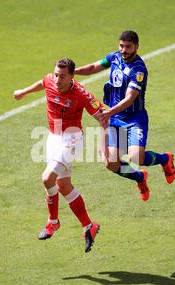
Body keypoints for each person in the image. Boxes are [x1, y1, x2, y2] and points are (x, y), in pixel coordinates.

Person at [13, 58, 107, 253]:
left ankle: (53, 222)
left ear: (72, 76)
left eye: (63, 76)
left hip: (72, 138)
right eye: (56, 74)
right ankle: (89, 227)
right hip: (53, 137)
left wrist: (105, 145)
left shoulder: (81, 94)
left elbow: (103, 117)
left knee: (47, 178)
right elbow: (42, 83)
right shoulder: (50, 80)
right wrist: (24, 91)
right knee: (63, 186)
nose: (57, 80)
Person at [74, 30, 175, 201]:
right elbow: (93, 67)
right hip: (116, 119)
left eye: (128, 47)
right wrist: (73, 71)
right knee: (110, 163)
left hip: (135, 119)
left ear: (137, 46)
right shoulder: (114, 57)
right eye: (121, 45)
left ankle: (165, 159)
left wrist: (108, 112)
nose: (124, 50)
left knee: (136, 157)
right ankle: (139, 178)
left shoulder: (138, 70)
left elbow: (130, 98)